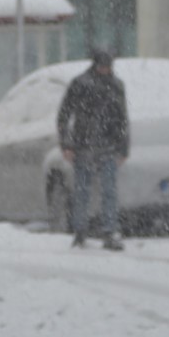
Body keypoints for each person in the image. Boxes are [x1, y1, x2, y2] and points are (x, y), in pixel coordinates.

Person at [56, 50, 131, 250]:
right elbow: (65, 115)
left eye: (108, 66)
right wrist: (67, 144)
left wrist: (123, 148)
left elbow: (122, 119)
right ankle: (83, 230)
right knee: (87, 191)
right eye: (103, 66)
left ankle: (106, 230)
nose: (106, 70)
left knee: (103, 190)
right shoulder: (83, 85)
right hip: (86, 145)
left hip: (102, 145)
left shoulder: (111, 85)